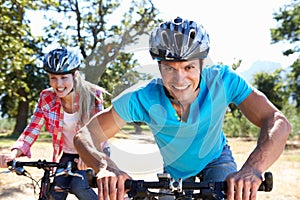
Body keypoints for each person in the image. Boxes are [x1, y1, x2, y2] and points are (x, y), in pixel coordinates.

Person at [73, 17, 291, 200]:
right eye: (169, 68)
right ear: (159, 66)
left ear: (203, 64)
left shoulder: (223, 81)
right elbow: (85, 135)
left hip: (216, 158)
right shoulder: (141, 97)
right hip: (175, 170)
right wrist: (106, 166)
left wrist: (253, 168)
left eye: (189, 67)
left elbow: (276, 120)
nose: (179, 79)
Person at [0, 47, 110, 200]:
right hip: (68, 153)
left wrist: (89, 156)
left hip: (95, 148)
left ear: (75, 75)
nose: (58, 84)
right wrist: (13, 154)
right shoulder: (47, 98)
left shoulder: (92, 95)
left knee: (78, 186)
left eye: (64, 77)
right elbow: (32, 129)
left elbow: (101, 131)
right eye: (53, 78)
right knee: (55, 191)